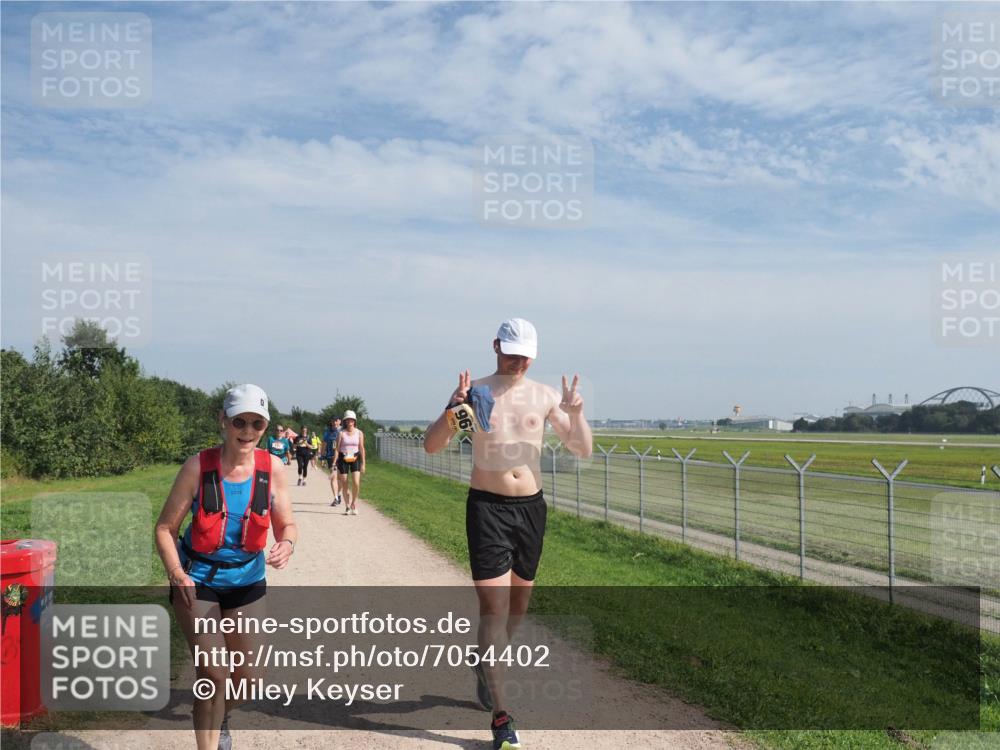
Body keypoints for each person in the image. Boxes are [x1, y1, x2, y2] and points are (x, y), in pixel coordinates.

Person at [423, 318, 592, 750]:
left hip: (530, 509)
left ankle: (485, 663)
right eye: (510, 352)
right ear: (495, 346)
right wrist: (451, 407)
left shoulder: (544, 395)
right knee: (494, 610)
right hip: (487, 508)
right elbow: (433, 444)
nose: (517, 361)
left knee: (518, 608)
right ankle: (502, 717)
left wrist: (576, 414)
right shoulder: (475, 392)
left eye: (525, 354)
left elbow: (581, 449)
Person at [155, 384, 297, 750]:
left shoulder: (273, 468)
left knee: (249, 679)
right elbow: (165, 529)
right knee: (214, 674)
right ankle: (209, 730)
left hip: (247, 580)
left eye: (257, 423)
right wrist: (176, 573)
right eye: (239, 421)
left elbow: (287, 524)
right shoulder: (197, 467)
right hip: (197, 579)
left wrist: (287, 543)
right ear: (223, 420)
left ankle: (216, 715)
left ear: (266, 427)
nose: (248, 431)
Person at [334, 410, 366, 516]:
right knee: (344, 483)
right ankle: (347, 506)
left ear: (354, 421)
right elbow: (337, 449)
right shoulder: (341, 433)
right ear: (345, 421)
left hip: (355, 457)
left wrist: (363, 464)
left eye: (351, 419)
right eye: (348, 420)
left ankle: (353, 503)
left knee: (356, 482)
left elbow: (361, 448)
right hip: (344, 458)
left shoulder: (359, 433)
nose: (350, 421)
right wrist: (335, 461)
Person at [323, 417, 343, 505]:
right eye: (332, 421)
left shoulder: (343, 431)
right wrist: (322, 454)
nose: (334, 422)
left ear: (340, 421)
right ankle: (335, 498)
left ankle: (339, 494)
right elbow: (324, 443)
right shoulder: (328, 432)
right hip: (331, 457)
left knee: (341, 478)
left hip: (342, 457)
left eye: (336, 420)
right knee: (333, 477)